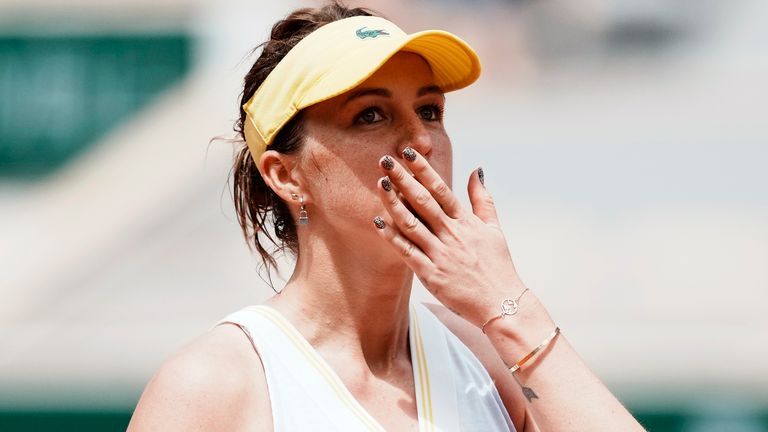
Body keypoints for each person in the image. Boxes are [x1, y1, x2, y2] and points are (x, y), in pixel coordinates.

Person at [128, 2, 646, 431]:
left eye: (430, 111)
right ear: (286, 176)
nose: (420, 140)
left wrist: (506, 304)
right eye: (370, 115)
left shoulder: (483, 354)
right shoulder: (214, 384)